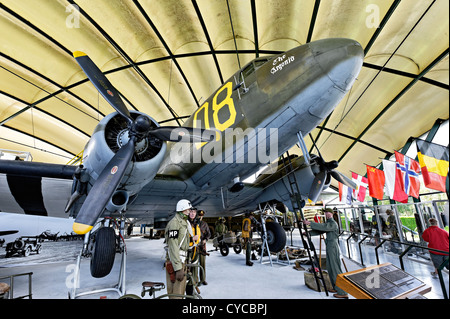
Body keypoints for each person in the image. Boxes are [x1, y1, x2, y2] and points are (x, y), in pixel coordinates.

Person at [303, 208, 348, 299]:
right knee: (330, 267)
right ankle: (336, 287)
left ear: (330, 213)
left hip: (333, 246)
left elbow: (324, 227)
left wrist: (310, 223)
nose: (326, 214)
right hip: (329, 246)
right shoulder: (329, 223)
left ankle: (343, 292)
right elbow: (321, 230)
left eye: (327, 212)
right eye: (325, 213)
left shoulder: (333, 223)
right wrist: (309, 233)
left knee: (335, 268)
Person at [164, 199, 198, 299]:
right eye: (188, 210)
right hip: (176, 261)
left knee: (180, 293)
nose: (189, 212)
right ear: (182, 210)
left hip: (181, 259)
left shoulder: (184, 222)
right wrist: (178, 268)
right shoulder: (175, 223)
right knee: (176, 294)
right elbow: (173, 246)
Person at [186, 208, 201, 296]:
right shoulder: (185, 223)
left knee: (194, 273)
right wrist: (192, 239)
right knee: (187, 274)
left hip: (195, 251)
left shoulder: (196, 224)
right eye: (191, 212)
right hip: (188, 251)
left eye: (194, 212)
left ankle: (191, 294)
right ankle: (187, 294)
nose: (192, 214)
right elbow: (181, 238)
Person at [197, 210, 211, 285]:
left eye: (201, 216)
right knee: (195, 264)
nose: (200, 217)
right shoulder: (194, 223)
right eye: (199, 215)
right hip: (195, 246)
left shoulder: (204, 224)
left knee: (202, 264)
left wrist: (205, 239)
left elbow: (209, 234)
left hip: (202, 246)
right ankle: (195, 280)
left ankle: (203, 279)